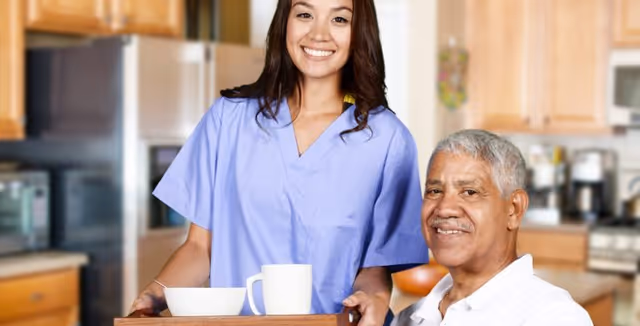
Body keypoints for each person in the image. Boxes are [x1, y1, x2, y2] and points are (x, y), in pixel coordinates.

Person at [128, 0, 429, 325]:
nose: (319, 33)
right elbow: (201, 248)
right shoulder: (228, 119)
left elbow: (374, 266)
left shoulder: (386, 138)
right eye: (304, 14)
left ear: (360, 33)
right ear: (284, 22)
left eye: (340, 19)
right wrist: (153, 296)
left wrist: (376, 298)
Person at [392, 129, 593, 326]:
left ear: (513, 209)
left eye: (469, 192)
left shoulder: (554, 317)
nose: (444, 209)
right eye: (434, 191)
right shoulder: (409, 318)